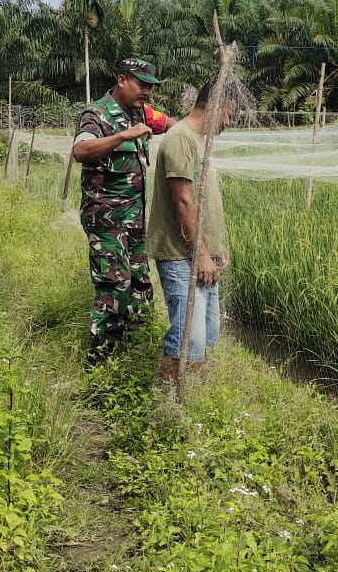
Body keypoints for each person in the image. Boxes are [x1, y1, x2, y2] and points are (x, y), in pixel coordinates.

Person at [72, 58, 174, 365]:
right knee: (115, 288)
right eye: (141, 85)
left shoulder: (141, 112)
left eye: (150, 87)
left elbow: (172, 124)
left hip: (135, 220)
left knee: (141, 285)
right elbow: (80, 151)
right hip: (106, 220)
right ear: (121, 80)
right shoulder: (96, 114)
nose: (146, 92)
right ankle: (99, 364)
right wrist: (122, 137)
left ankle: (135, 353)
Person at [146, 80, 238, 385]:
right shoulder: (181, 139)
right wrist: (200, 253)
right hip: (180, 256)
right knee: (189, 336)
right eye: (228, 115)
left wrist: (214, 245)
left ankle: (195, 395)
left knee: (206, 336)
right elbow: (182, 201)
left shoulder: (199, 142)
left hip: (198, 252)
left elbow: (199, 200)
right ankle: (169, 401)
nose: (227, 123)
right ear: (214, 107)